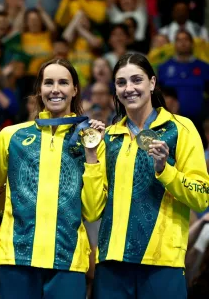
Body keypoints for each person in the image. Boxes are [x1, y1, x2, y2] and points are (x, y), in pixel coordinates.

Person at [88, 53, 209, 298]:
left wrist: (165, 170)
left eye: (136, 80)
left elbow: (201, 197)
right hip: (112, 261)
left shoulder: (180, 129)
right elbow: (92, 209)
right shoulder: (108, 137)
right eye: (121, 82)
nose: (129, 88)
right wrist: (91, 156)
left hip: (162, 261)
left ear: (152, 83)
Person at [0, 58, 105, 299]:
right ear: (39, 90)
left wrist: (91, 153)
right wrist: (19, 209)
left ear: (74, 90)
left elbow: (93, 210)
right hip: (17, 257)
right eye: (48, 82)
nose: (55, 89)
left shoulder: (90, 140)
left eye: (63, 82)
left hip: (68, 259)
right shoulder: (11, 136)